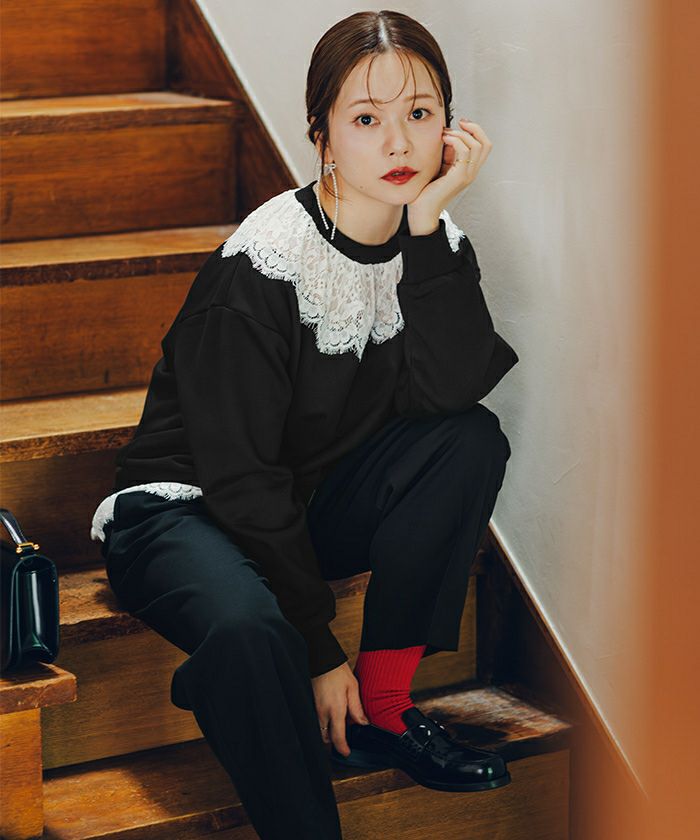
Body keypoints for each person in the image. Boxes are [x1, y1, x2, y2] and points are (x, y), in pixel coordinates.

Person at [90, 9, 519, 839]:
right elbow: (240, 475)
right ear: (322, 135)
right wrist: (318, 650)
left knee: (469, 439)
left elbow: (453, 392)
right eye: (366, 120)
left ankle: (386, 706)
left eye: (419, 113)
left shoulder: (433, 242)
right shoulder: (264, 264)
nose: (399, 143)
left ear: (449, 125)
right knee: (252, 632)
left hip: (302, 502)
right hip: (185, 511)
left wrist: (428, 226)